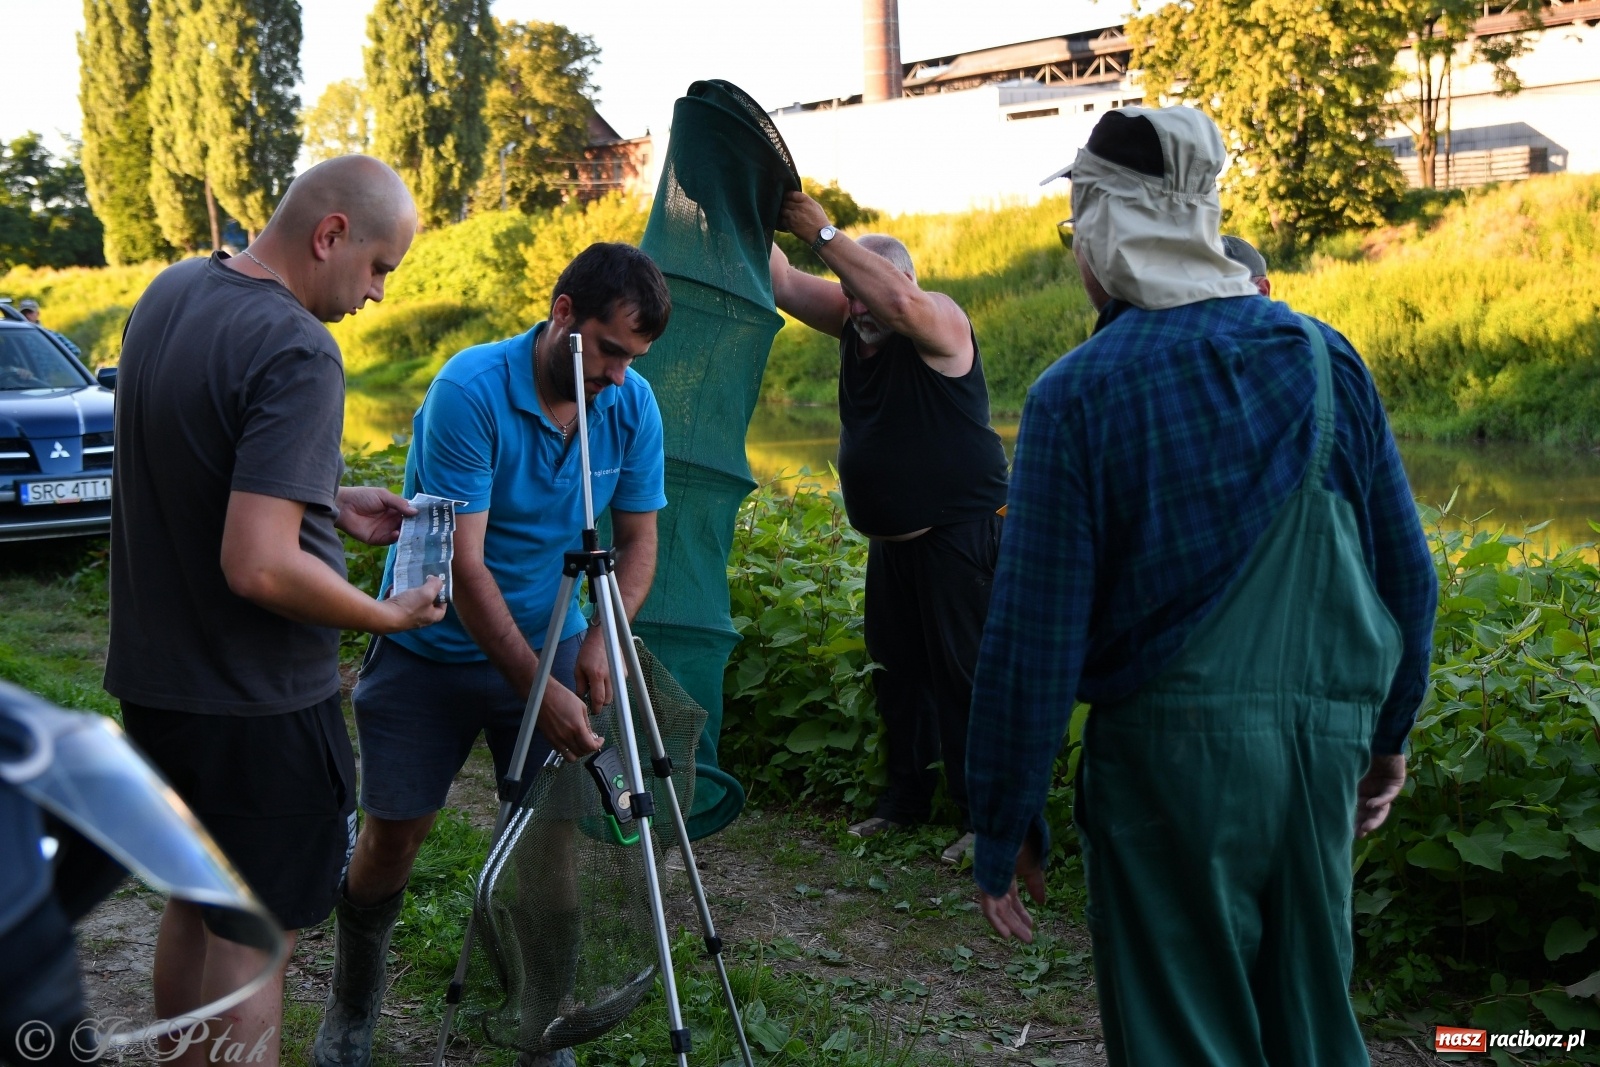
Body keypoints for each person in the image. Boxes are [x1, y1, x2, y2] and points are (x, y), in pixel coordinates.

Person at [967, 106, 1437, 1066]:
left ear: (1105, 228)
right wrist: (1386, 739)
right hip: (1323, 756)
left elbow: (1033, 637)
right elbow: (1409, 580)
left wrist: (1004, 814)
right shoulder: (1322, 357)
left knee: (1185, 1034)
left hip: (1170, 770)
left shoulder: (1078, 393)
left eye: (1076, 228)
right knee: (1313, 1021)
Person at [105, 155, 447, 1067]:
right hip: (258, 702)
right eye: (380, 268)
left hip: (157, 686)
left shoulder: (173, 291)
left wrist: (326, 498)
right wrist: (389, 616)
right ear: (329, 233)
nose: (377, 294)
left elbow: (200, 459)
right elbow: (257, 565)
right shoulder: (299, 347)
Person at [315, 242, 671, 1067]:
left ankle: (540, 1024)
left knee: (550, 849)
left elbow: (641, 541)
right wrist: (540, 684)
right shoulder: (468, 392)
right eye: (610, 349)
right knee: (394, 837)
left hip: (552, 641)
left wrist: (601, 635)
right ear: (562, 317)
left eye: (635, 357)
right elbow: (466, 570)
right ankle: (352, 1003)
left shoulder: (631, 402)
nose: (620, 374)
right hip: (430, 643)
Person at [769, 192, 1009, 865]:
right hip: (893, 543)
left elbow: (895, 303)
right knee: (898, 673)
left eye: (867, 291)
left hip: (961, 533)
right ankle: (903, 805)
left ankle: (984, 822)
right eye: (849, 294)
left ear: (904, 281)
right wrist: (748, 204)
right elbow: (782, 280)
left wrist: (818, 228)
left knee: (963, 678)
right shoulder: (855, 316)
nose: (858, 306)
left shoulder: (939, 321)